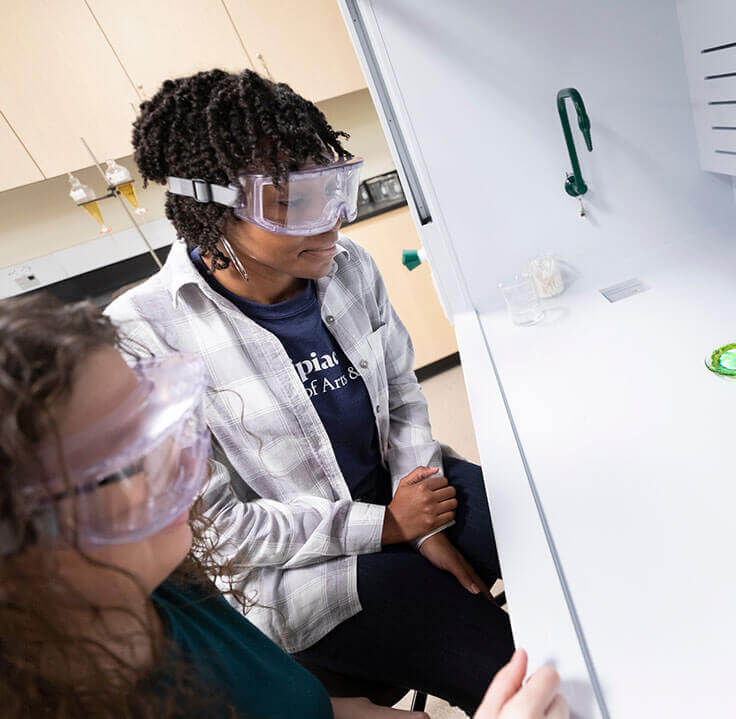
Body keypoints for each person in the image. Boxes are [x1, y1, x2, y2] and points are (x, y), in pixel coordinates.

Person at [106, 69, 513, 714]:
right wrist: (386, 528)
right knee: (506, 662)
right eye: (293, 203)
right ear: (213, 205)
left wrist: (423, 513)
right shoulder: (145, 337)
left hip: (404, 496)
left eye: (333, 188)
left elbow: (403, 394)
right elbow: (222, 532)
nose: (332, 221)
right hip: (304, 573)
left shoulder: (348, 266)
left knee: (541, 537)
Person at [0, 295, 568, 719]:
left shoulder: (167, 586)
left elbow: (290, 701)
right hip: (315, 563)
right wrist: (390, 525)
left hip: (383, 517)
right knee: (476, 641)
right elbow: (232, 532)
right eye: (123, 457)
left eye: (157, 424)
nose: (182, 464)